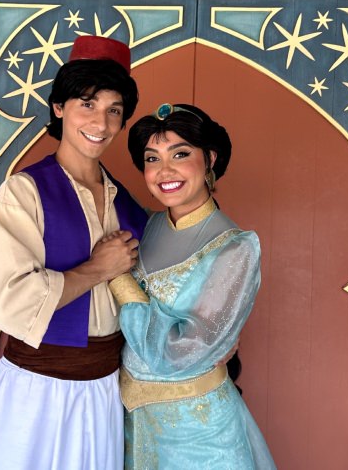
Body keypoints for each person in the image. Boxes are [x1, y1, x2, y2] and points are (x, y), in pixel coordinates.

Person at [0, 36, 148, 469]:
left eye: (114, 111)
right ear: (59, 107)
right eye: (87, 104)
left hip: (105, 387)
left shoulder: (128, 206)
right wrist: (96, 269)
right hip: (35, 389)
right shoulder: (24, 191)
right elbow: (9, 300)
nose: (101, 123)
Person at [108, 103, 277, 469]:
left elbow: (179, 354)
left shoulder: (235, 248)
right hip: (131, 424)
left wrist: (117, 278)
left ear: (210, 158)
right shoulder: (148, 225)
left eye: (180, 154)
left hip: (199, 435)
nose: (163, 171)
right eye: (152, 159)